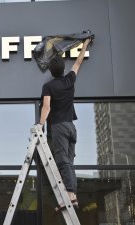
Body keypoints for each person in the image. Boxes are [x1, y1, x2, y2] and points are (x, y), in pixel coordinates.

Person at [37, 38, 91, 211]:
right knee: (69, 163)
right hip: (71, 127)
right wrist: (86, 44)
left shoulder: (48, 87)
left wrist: (40, 125)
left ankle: (70, 197)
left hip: (59, 127)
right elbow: (78, 62)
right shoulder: (69, 80)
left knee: (63, 162)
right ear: (62, 70)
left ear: (51, 72)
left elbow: (46, 107)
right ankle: (72, 196)